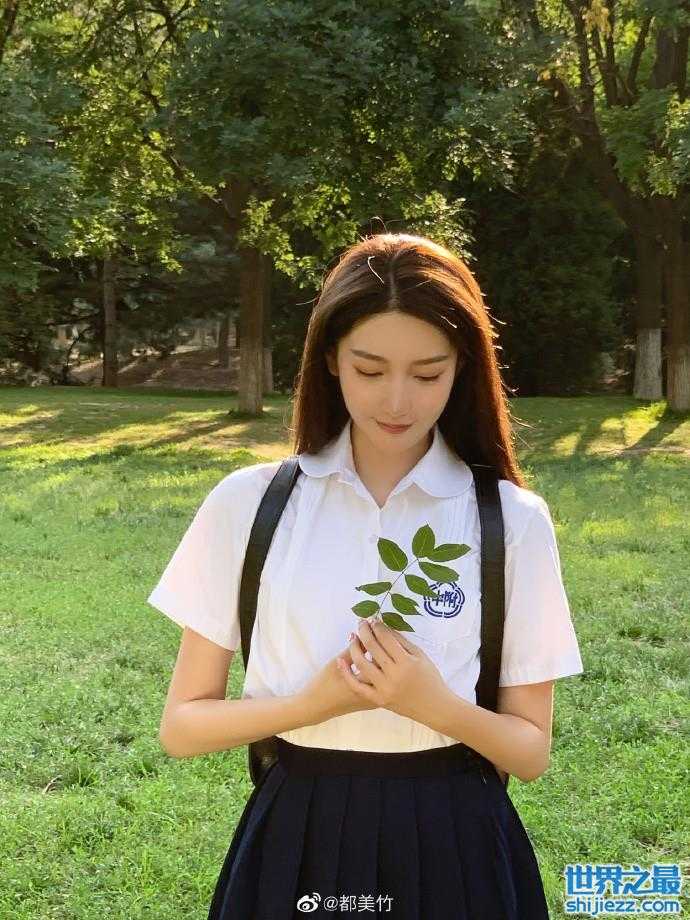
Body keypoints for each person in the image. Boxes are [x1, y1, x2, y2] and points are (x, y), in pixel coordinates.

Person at [147, 232, 584, 919]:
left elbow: (530, 753)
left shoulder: (510, 520)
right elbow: (182, 727)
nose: (397, 401)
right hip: (298, 831)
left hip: (456, 838)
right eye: (370, 370)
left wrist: (431, 704)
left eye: (428, 373)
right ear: (330, 359)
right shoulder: (250, 504)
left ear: (463, 367)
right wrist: (312, 705)